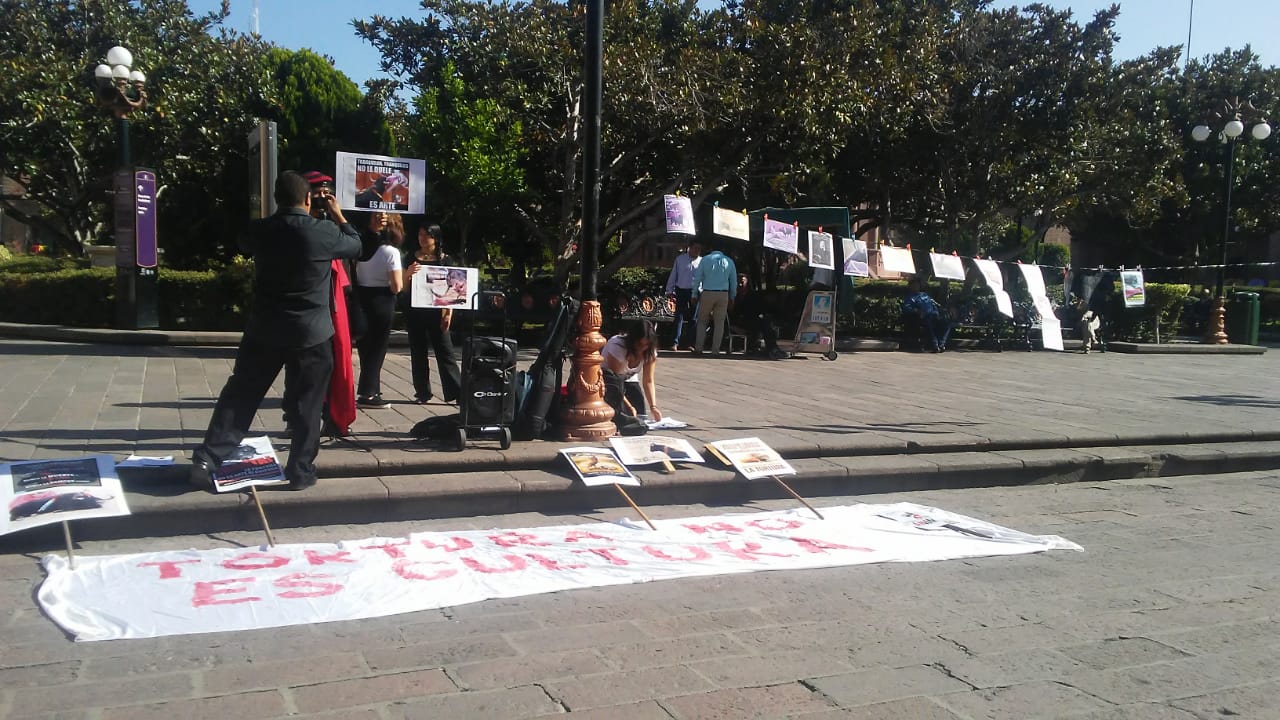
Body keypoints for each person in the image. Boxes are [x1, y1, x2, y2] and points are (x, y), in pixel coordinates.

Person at [191, 171, 361, 491]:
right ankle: (299, 470)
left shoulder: (261, 230)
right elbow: (355, 245)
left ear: (275, 199)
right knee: (308, 404)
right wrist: (338, 215)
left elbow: (241, 239)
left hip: (265, 329)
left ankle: (208, 457)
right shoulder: (323, 232)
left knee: (241, 394)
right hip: (312, 333)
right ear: (309, 199)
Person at [403, 223, 462, 404]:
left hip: (437, 311)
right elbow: (403, 288)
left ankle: (456, 391)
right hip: (415, 311)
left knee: (445, 352)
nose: (422, 239)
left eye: (426, 235)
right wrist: (408, 273)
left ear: (435, 238)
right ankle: (422, 392)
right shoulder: (411, 258)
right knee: (418, 352)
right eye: (420, 235)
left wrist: (448, 313)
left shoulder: (446, 260)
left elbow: (453, 289)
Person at [354, 212, 404, 408]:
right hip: (382, 300)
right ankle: (368, 393)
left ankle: (371, 388)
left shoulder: (361, 248)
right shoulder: (391, 252)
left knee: (366, 348)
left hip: (362, 297)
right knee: (378, 348)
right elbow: (396, 285)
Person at [601, 319, 663, 434]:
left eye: (646, 345)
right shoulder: (617, 346)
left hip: (628, 380)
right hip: (608, 381)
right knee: (623, 413)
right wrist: (629, 406)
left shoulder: (649, 351)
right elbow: (616, 383)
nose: (642, 348)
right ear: (633, 340)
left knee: (640, 416)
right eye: (639, 344)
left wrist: (653, 407)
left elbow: (648, 381)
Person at [692, 241, 737, 354]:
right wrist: (732, 297)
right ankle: (715, 350)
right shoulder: (729, 261)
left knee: (702, 321)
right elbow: (733, 281)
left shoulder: (705, 259)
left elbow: (697, 278)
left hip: (707, 292)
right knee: (719, 322)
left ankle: (699, 347)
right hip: (723, 294)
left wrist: (694, 294)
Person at [729, 273, 786, 359]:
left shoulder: (752, 295)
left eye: (743, 281)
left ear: (747, 282)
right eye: (738, 282)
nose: (740, 284)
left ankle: (772, 349)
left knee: (765, 322)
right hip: (738, 321)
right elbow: (734, 312)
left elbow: (759, 309)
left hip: (751, 319)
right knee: (764, 324)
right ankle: (772, 349)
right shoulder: (733, 295)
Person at [664, 240, 701, 350]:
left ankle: (690, 343)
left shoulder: (702, 261)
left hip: (695, 291)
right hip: (681, 290)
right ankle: (675, 342)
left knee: (693, 318)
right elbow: (674, 274)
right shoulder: (680, 259)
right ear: (690, 248)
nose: (697, 251)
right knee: (678, 316)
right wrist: (669, 290)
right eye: (695, 248)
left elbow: (704, 277)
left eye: (699, 249)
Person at [902, 278, 952, 353]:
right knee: (928, 323)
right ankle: (934, 344)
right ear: (910, 286)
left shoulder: (924, 295)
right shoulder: (910, 297)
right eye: (914, 285)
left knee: (946, 323)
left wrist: (937, 312)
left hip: (933, 315)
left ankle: (941, 344)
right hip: (921, 317)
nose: (916, 287)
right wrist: (918, 311)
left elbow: (933, 304)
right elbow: (907, 308)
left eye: (917, 285)